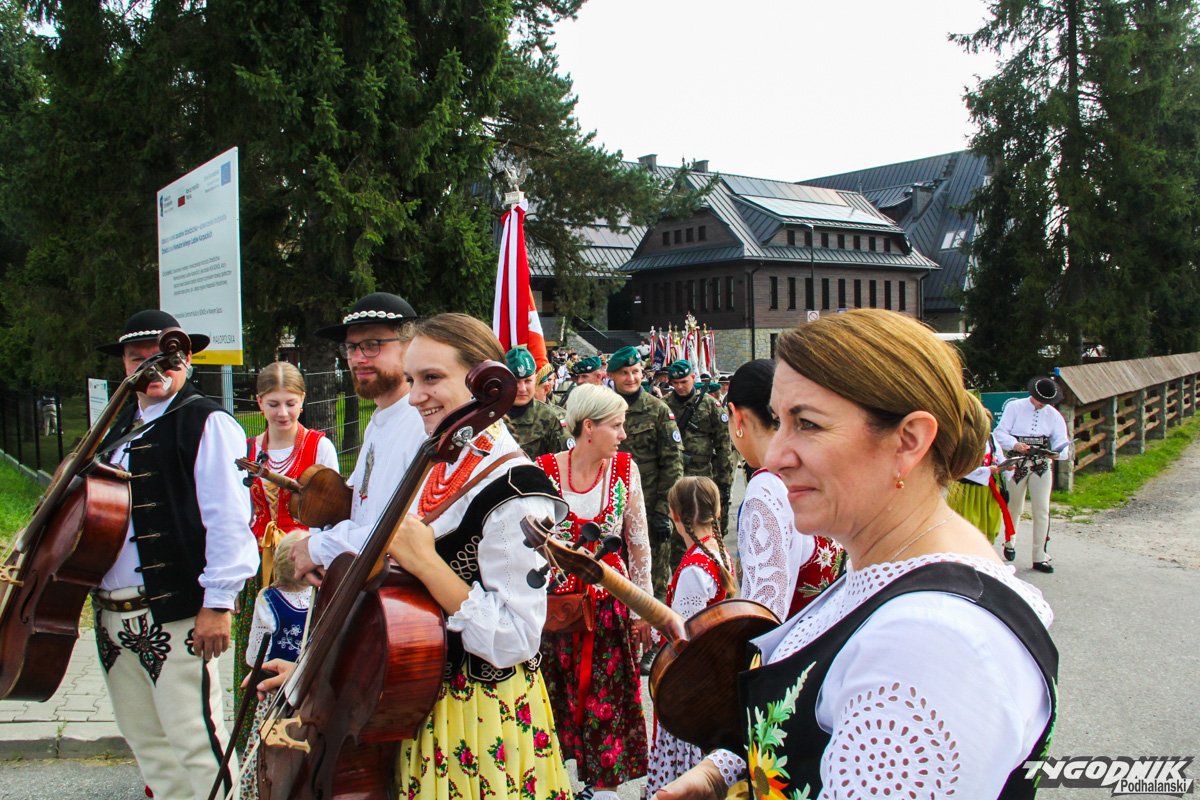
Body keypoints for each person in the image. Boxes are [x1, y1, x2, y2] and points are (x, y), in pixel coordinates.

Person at [658, 309, 1057, 800]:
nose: (777, 455)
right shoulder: (886, 568)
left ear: (908, 441)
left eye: (807, 424)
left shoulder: (930, 647)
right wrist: (723, 771)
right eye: (779, 422)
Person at [265, 312, 574, 800]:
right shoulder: (437, 461)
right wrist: (319, 676)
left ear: (486, 381)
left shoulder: (517, 490)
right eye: (411, 379)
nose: (414, 396)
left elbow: (517, 637)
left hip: (478, 718)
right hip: (411, 703)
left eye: (432, 378)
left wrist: (427, 564)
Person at [93, 309, 257, 800]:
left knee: (194, 739)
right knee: (146, 741)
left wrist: (218, 603)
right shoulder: (115, 427)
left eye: (162, 358)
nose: (151, 368)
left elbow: (228, 520)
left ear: (185, 360)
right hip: (111, 611)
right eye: (136, 358)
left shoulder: (205, 422)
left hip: (177, 610)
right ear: (125, 365)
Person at [533, 384, 653, 800]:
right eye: (616, 426)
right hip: (556, 611)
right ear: (588, 427)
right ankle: (553, 782)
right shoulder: (543, 470)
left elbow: (639, 545)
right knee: (555, 697)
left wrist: (643, 612)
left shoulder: (625, 470)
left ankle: (604, 789)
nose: (623, 434)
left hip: (609, 608)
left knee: (609, 700)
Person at [232, 361, 339, 753]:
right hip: (258, 567)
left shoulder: (318, 446)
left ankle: (303, 740)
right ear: (259, 402)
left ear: (303, 401)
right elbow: (239, 514)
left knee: (300, 648)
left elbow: (332, 512)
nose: (282, 413)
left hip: (303, 568)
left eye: (290, 403)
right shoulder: (247, 450)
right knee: (257, 653)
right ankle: (254, 747)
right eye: (274, 403)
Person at [289, 292, 427, 585]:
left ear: (409, 347)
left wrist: (319, 548)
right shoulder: (378, 422)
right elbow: (360, 507)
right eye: (351, 347)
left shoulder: (422, 422)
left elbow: (409, 527)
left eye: (372, 345)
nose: (357, 358)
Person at [723, 359, 844, 619]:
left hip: (791, 640)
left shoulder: (766, 488)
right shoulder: (816, 469)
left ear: (737, 416)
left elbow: (763, 612)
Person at [645, 477, 737, 799]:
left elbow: (684, 636)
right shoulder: (717, 553)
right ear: (717, 511)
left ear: (674, 514)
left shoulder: (694, 570)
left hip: (689, 688)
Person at [238, 529, 312, 800]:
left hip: (277, 695)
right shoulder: (319, 596)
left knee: (267, 751)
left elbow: (254, 656)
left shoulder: (267, 599)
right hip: (311, 692)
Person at [607, 346, 683, 601]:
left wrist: (663, 511)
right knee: (614, 582)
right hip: (612, 509)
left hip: (650, 510)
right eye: (624, 373)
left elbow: (673, 464)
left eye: (636, 371)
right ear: (612, 376)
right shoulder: (603, 410)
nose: (631, 378)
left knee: (653, 581)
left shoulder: (658, 410)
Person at [994, 376, 1071, 573]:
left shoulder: (1054, 416)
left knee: (1042, 509)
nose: (1041, 404)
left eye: (1045, 402)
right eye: (1039, 400)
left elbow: (1062, 442)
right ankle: (1009, 542)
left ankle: (1039, 556)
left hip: (1041, 464)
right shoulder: (1015, 407)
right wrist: (1014, 444)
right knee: (1014, 507)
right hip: (1017, 463)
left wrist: (1057, 453)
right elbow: (999, 433)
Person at [662, 359, 733, 543]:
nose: (679, 387)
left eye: (684, 381)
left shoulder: (710, 405)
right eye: (675, 383)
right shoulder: (663, 406)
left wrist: (724, 483)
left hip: (703, 474)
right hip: (674, 476)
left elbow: (723, 445)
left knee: (705, 528)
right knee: (677, 533)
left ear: (693, 377)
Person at [948, 410, 1016, 550]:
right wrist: (987, 470)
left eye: (988, 422)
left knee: (990, 521)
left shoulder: (991, 438)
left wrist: (1007, 466)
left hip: (987, 489)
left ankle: (982, 550)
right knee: (968, 522)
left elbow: (999, 457)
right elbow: (959, 467)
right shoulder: (964, 438)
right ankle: (965, 552)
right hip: (965, 488)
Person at [504, 345, 569, 459]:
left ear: (535, 380)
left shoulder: (551, 418)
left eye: (527, 381)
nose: (522, 388)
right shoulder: (489, 417)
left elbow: (564, 462)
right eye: (516, 381)